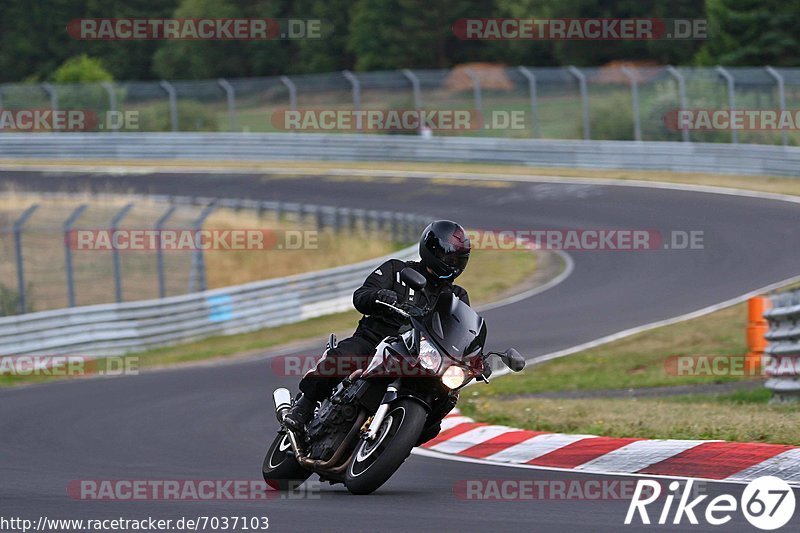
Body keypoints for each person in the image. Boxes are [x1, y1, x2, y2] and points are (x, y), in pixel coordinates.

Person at [283, 219, 472, 433]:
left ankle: (403, 436)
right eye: (449, 256)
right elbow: (360, 297)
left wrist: (474, 356)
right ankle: (304, 407)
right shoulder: (396, 270)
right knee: (340, 360)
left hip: (418, 356)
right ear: (433, 250)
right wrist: (378, 296)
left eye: (458, 259)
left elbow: (461, 332)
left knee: (444, 401)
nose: (453, 263)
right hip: (374, 341)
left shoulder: (456, 296)